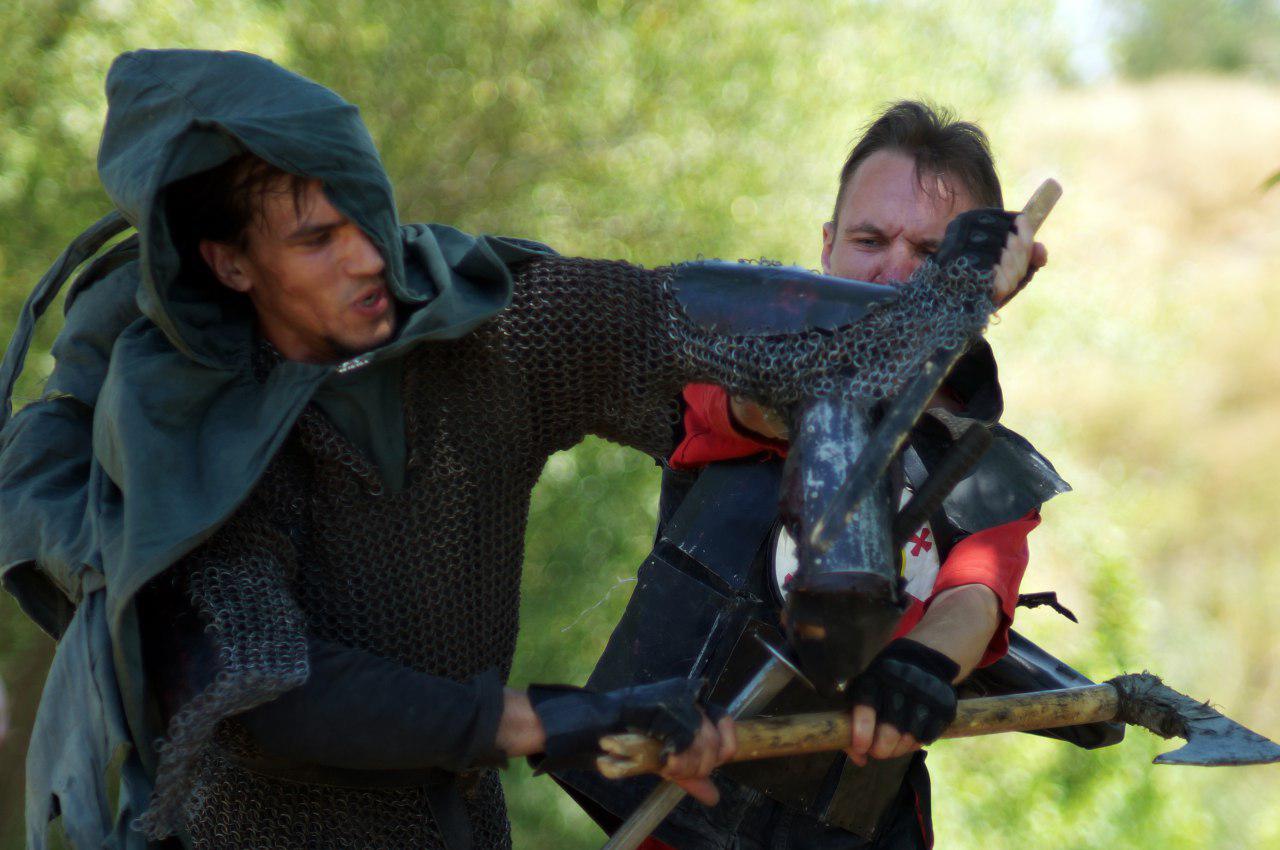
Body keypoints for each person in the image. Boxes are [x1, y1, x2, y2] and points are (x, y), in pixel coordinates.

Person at [0, 53, 1035, 850]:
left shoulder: (487, 334)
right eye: (315, 240)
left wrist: (945, 304)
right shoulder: (188, 444)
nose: (366, 257)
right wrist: (550, 721)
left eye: (365, 214)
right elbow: (272, 692)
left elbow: (694, 331)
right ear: (231, 263)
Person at [554, 102, 1103, 849]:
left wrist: (920, 665)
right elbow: (763, 406)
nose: (896, 270)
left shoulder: (984, 465)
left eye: (930, 252)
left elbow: (975, 594)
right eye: (870, 240)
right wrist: (919, 325)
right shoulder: (740, 368)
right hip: (667, 811)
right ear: (828, 246)